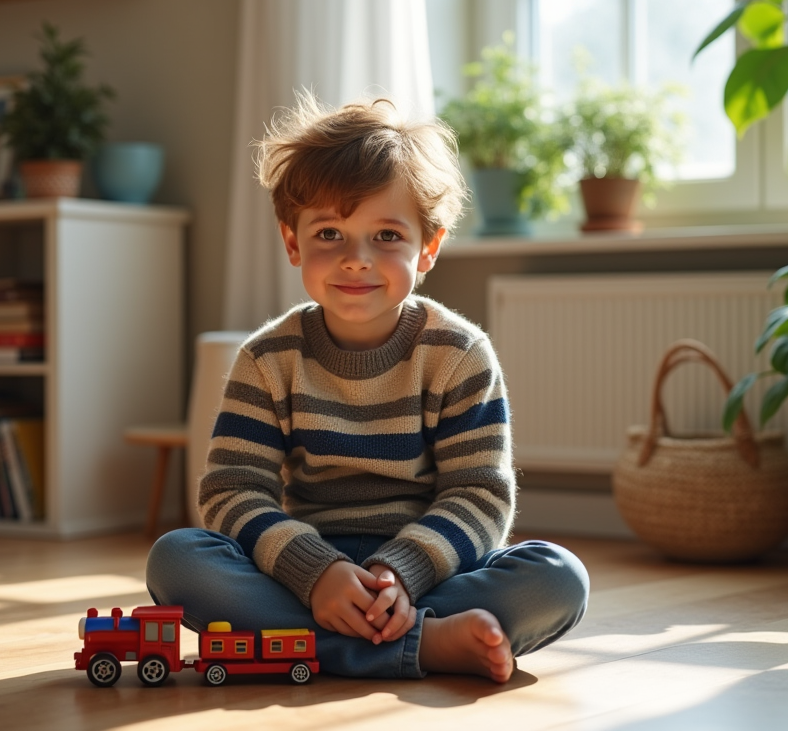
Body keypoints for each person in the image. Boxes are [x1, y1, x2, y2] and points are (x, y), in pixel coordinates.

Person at [146, 92, 589, 683]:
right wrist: (318, 574)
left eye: (385, 236)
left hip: (427, 573)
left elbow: (479, 494)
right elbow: (233, 491)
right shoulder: (265, 359)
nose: (356, 259)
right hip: (301, 573)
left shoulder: (459, 354)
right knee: (177, 559)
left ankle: (324, 646)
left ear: (428, 247)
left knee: (557, 576)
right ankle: (425, 645)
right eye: (330, 233)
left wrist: (400, 573)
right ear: (292, 242)